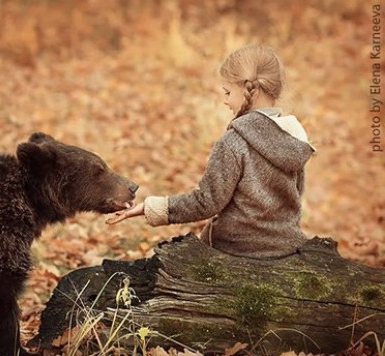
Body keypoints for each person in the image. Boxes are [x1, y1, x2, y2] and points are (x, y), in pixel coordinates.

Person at [107, 45, 315, 259]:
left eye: (228, 92)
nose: (225, 101)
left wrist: (151, 207)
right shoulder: (295, 138)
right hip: (286, 247)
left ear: (247, 89)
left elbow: (206, 203)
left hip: (234, 248)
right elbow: (294, 198)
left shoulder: (234, 142)